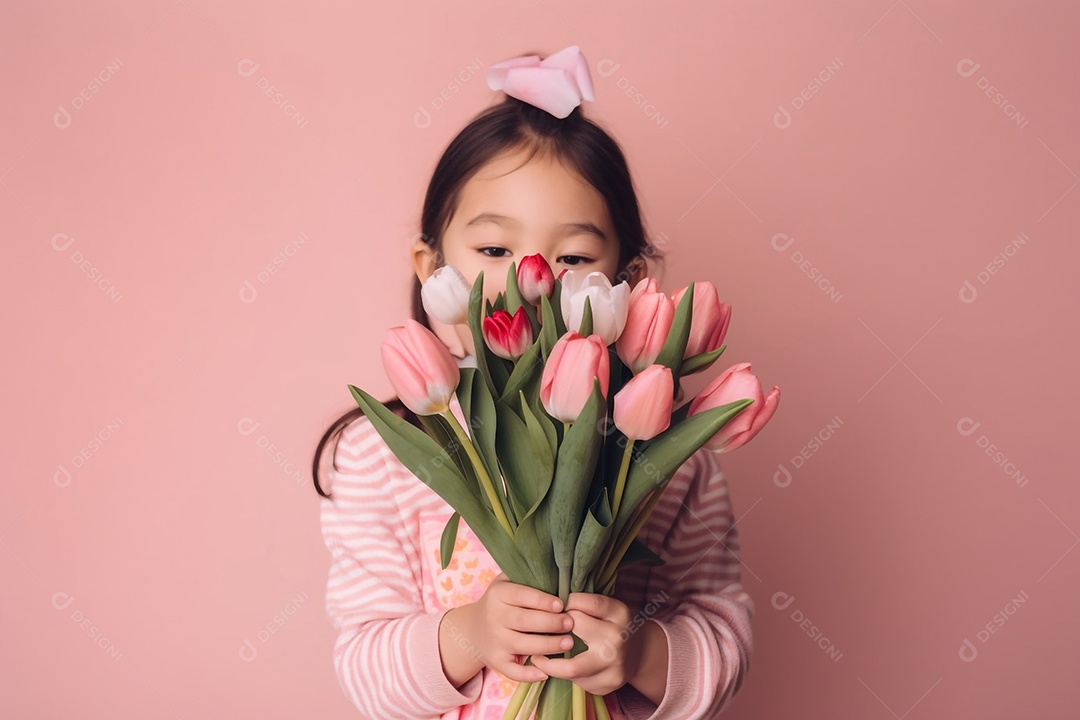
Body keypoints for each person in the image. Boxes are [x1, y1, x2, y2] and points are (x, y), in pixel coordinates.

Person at [311, 45, 754, 720]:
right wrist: (472, 635)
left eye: (572, 256)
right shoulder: (379, 457)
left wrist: (637, 655)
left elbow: (724, 633)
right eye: (494, 250)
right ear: (432, 268)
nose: (529, 281)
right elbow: (363, 666)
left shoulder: (659, 449)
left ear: (626, 283)